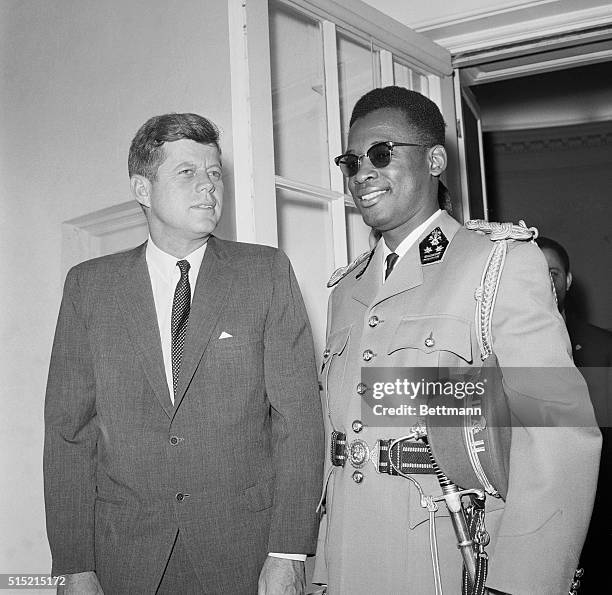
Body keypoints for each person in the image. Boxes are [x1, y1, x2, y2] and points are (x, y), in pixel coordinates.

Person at [312, 87, 600, 595]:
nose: (362, 174)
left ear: (435, 160)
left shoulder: (496, 263)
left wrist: (520, 582)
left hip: (445, 558)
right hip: (345, 558)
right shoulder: (346, 289)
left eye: (381, 154)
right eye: (351, 161)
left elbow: (558, 432)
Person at [44, 113, 324, 594]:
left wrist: (287, 552)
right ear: (143, 189)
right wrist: (73, 563)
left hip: (243, 552)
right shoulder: (89, 287)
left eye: (215, 173)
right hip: (124, 557)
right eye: (188, 172)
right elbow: (69, 433)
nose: (209, 187)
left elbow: (298, 420)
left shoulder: (264, 273)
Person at [536, 235, 612, 593]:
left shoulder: (603, 348)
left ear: (567, 280)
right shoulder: (493, 348)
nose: (544, 282)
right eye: (535, 272)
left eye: (552, 272)